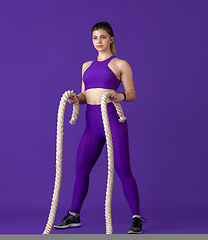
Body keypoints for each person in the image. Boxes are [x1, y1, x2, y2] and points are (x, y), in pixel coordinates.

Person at [54, 21, 146, 234]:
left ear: (111, 38)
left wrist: (120, 95)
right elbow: (86, 94)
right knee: (81, 169)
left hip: (112, 120)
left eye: (103, 37)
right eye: (95, 37)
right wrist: (77, 98)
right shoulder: (86, 66)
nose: (99, 41)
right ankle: (74, 215)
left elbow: (131, 93)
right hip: (92, 124)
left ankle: (137, 218)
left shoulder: (120, 64)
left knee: (123, 170)